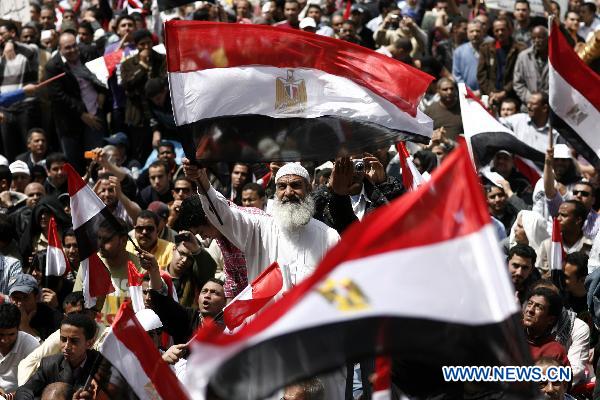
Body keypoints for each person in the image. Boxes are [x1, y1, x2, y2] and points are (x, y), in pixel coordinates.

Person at [185, 160, 340, 285]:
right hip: (270, 320)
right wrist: (202, 181)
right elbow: (224, 215)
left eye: (295, 185)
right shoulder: (259, 228)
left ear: (309, 189)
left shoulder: (329, 236)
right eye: (282, 186)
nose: (288, 192)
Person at [44, 31, 108, 174]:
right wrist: (81, 114)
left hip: (95, 111)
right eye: (67, 48)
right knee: (75, 162)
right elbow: (58, 96)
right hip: (70, 121)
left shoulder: (89, 53)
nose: (72, 50)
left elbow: (102, 73)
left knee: (95, 157)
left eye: (74, 46)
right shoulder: (53, 66)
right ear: (60, 48)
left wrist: (103, 93)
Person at [74, 218, 143, 325]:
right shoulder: (89, 265)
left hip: (129, 335)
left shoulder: (140, 267)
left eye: (106, 240)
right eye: (99, 238)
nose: (100, 244)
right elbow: (76, 305)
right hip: (96, 335)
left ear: (123, 240)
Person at [15, 314, 100, 400]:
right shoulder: (50, 364)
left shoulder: (100, 366)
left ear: (89, 343)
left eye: (74, 341)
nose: (67, 346)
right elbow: (24, 390)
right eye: (63, 339)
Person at [477, 18, 527, 108]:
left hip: (513, 96)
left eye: (503, 30)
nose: (500, 33)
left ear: (509, 30)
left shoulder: (519, 49)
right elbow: (481, 75)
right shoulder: (486, 49)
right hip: (491, 96)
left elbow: (520, 74)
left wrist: (505, 92)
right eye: (497, 30)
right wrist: (491, 92)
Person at [537, 200, 591, 275]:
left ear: (578, 220)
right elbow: (540, 276)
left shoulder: (591, 246)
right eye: (558, 215)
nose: (558, 219)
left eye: (564, 215)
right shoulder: (547, 245)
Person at [165, 234, 217, 308]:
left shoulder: (195, 278)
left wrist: (197, 250)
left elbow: (209, 269)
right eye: (182, 254)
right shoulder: (158, 275)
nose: (184, 260)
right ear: (174, 249)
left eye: (190, 258)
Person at [0, 303, 40, 395]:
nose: (5, 340)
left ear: (18, 329)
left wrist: (14, 395)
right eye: (1, 334)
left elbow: (34, 382)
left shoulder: (31, 345)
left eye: (11, 334)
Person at [9, 274, 63, 341]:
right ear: (10, 298)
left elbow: (50, 351)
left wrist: (25, 328)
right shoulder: (4, 315)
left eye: (25, 297)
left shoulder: (53, 318)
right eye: (16, 298)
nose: (20, 303)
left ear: (36, 297)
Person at [523, 287, 569, 365]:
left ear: (550, 319)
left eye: (539, 307)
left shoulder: (556, 352)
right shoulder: (511, 337)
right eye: (530, 303)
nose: (530, 310)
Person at [513, 26, 549, 110]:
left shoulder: (556, 58)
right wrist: (531, 99)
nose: (536, 41)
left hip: (550, 106)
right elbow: (518, 83)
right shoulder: (523, 57)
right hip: (528, 106)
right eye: (534, 38)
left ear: (547, 38)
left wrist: (544, 98)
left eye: (540, 38)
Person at [452, 21, 483, 93]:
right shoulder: (459, 52)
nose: (475, 34)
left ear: (483, 32)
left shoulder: (489, 50)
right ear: (467, 33)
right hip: (466, 94)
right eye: (471, 31)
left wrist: (482, 90)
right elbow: (457, 75)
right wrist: (468, 91)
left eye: (478, 31)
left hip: (486, 93)